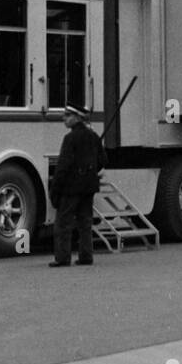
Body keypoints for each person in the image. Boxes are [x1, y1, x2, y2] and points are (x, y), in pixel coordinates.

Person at [50, 104, 104, 267]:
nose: (64, 118)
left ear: (77, 117)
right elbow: (102, 160)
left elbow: (63, 166)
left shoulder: (70, 138)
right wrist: (90, 172)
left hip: (70, 187)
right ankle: (86, 256)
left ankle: (62, 257)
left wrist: (55, 188)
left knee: (63, 224)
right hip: (88, 187)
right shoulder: (93, 136)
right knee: (85, 222)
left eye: (67, 115)